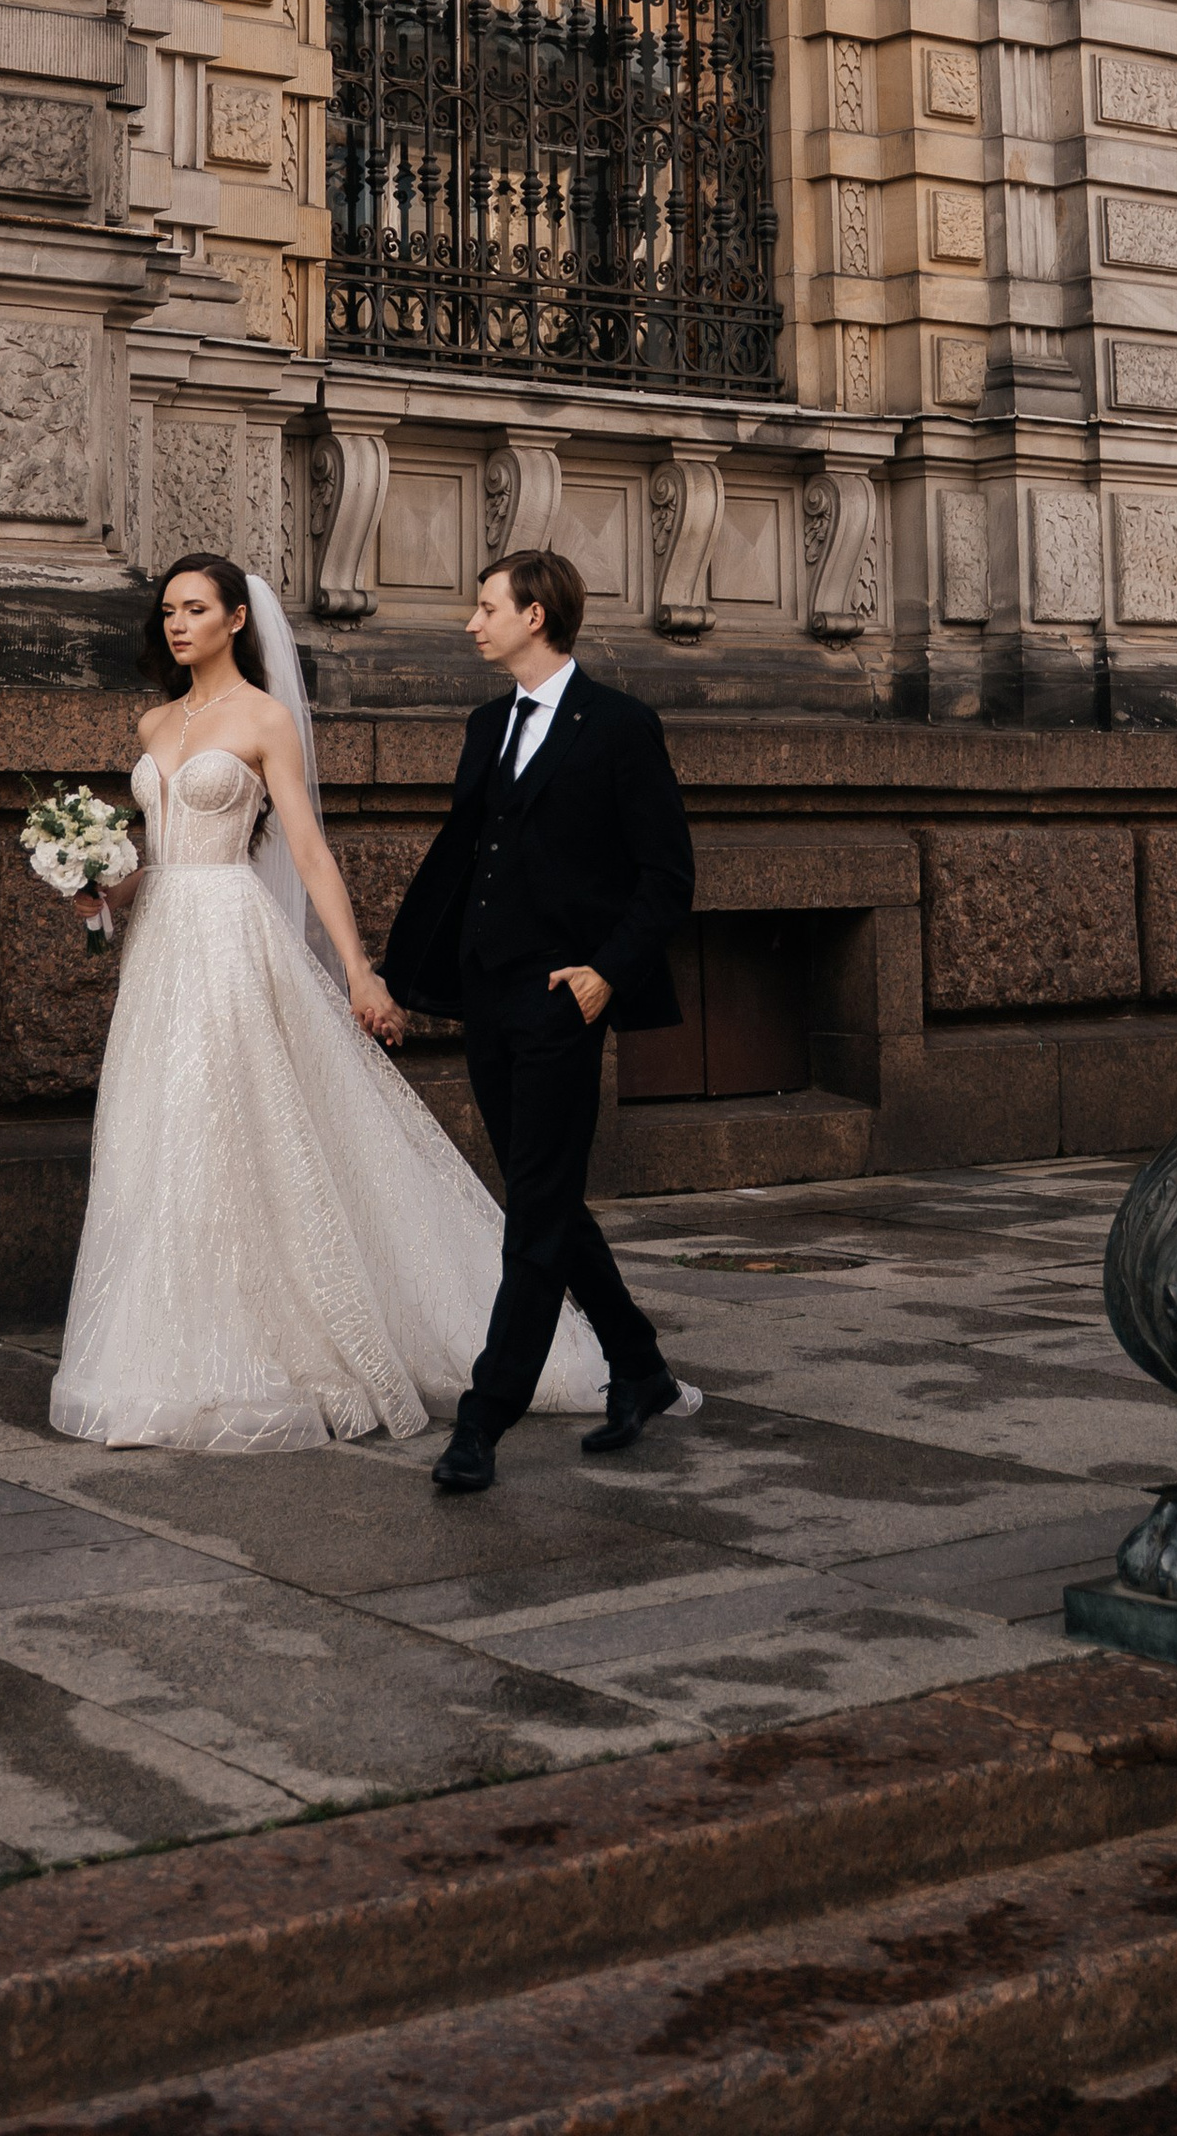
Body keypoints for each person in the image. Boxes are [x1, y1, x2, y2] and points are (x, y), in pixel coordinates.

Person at [47, 556, 609, 1452]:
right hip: (158, 945)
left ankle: (283, 1343)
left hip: (233, 938)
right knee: (157, 1134)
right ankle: (162, 1357)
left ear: (237, 619)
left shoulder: (265, 719)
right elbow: (153, 855)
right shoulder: (153, 722)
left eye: (195, 609)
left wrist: (359, 972)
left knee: (228, 1129)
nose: (176, 625)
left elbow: (307, 853)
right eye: (167, 612)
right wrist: (99, 889)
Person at [385, 550, 701, 1496]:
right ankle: (638, 1367)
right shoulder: (488, 724)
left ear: (534, 615)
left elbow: (667, 875)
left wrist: (608, 972)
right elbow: (469, 858)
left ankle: (486, 1419)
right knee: (543, 1196)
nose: (472, 623)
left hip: (565, 997)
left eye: (486, 608)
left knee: (530, 1208)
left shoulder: (619, 727)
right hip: (490, 991)